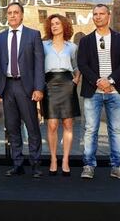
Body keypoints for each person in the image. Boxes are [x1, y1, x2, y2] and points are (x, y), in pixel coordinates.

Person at [77, 3, 120, 180]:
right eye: (95, 14)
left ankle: (117, 166)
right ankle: (88, 166)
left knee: (115, 130)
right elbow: (82, 65)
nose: (98, 17)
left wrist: (110, 81)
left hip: (115, 92)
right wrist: (98, 81)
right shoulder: (85, 41)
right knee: (90, 129)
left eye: (101, 13)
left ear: (108, 16)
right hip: (93, 92)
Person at [0, 2, 45, 178]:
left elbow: (39, 64)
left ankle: (36, 164)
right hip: (7, 87)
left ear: (22, 15)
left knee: (32, 127)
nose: (13, 15)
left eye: (16, 12)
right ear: (6, 16)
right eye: (9, 13)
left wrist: (39, 88)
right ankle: (17, 164)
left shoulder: (33, 35)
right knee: (12, 127)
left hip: (27, 87)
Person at [42, 14, 80, 176]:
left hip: (67, 83)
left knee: (68, 124)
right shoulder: (44, 45)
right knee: (52, 125)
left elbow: (77, 67)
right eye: (52, 24)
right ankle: (53, 159)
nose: (54, 26)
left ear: (64, 26)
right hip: (49, 84)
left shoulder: (72, 47)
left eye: (57, 23)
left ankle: (65, 160)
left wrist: (75, 81)